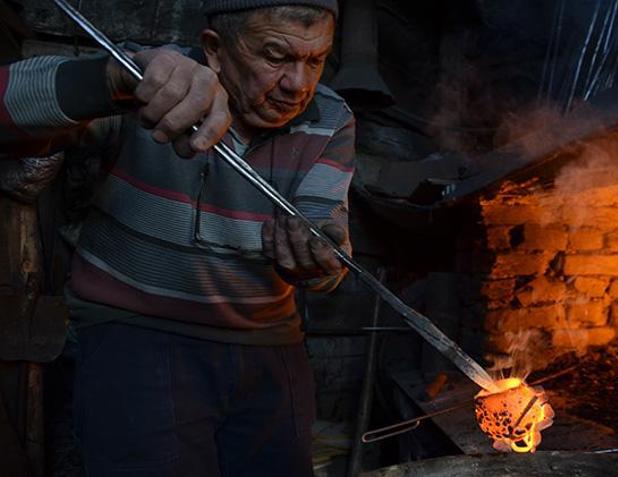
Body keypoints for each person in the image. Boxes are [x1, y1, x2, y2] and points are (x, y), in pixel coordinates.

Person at [0, 0, 353, 475]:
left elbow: (324, 239)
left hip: (270, 347)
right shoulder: (153, 79)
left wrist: (318, 256)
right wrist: (108, 81)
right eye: (274, 56)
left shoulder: (331, 118)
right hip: (137, 336)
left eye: (315, 60)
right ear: (216, 49)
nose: (299, 84)